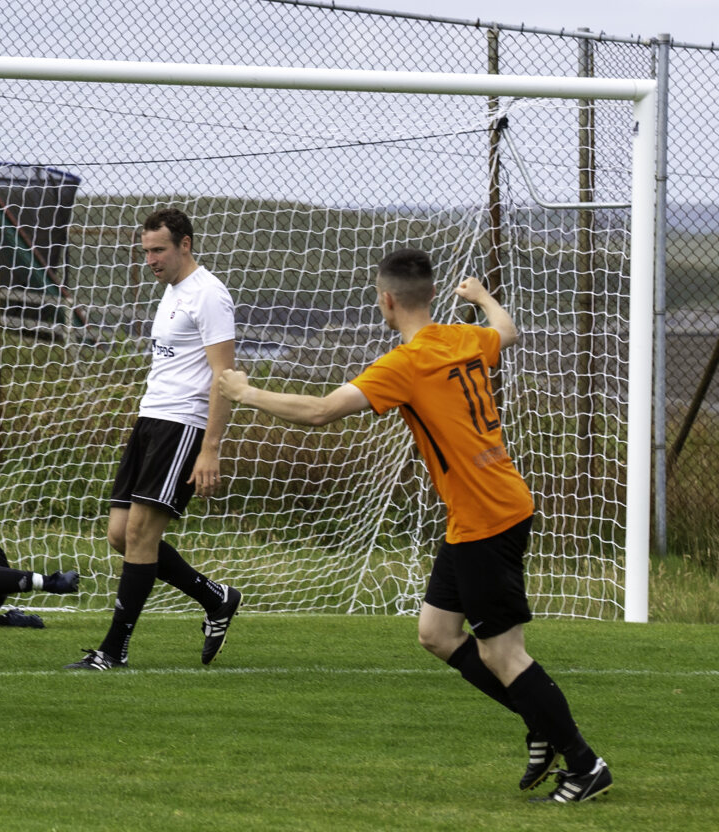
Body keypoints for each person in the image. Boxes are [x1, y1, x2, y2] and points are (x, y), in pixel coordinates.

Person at [218, 249, 611, 803]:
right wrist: (481, 298)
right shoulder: (461, 337)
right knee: (436, 634)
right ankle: (544, 725)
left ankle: (584, 762)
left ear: (386, 300)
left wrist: (245, 393)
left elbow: (321, 411)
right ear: (430, 295)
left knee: (504, 654)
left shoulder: (406, 364)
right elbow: (508, 330)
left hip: (486, 517)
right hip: (485, 510)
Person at [66, 208, 242, 671]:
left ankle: (113, 651)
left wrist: (210, 447)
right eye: (145, 250)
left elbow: (225, 376)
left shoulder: (209, 295)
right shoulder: (172, 292)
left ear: (185, 244)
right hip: (150, 420)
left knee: (142, 535)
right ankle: (216, 598)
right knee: (121, 536)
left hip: (183, 425)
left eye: (158, 249)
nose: (150, 259)